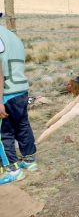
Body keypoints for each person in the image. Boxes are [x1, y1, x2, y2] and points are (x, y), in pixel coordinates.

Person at [0, 26, 38, 185]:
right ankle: (29, 161)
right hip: (22, 89)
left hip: (7, 93)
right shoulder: (11, 36)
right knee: (23, 126)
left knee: (4, 133)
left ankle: (12, 170)